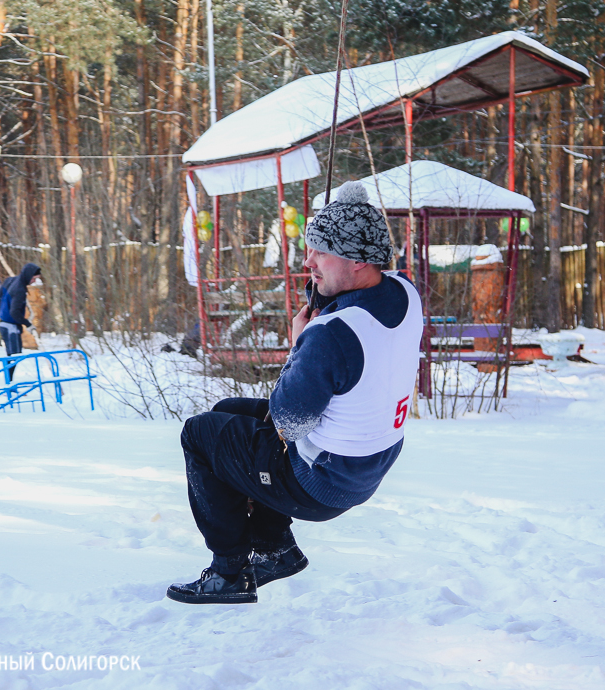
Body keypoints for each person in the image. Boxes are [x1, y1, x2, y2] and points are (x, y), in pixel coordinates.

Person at [167, 182, 424, 605]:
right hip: (369, 462)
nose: (308, 262)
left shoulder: (331, 335)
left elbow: (288, 422)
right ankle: (274, 548)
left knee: (200, 435)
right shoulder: (403, 292)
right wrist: (322, 294)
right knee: (228, 412)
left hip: (322, 483)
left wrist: (298, 346)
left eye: (320, 252)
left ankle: (229, 572)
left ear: (359, 260)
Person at [0, 263, 41, 379]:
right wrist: (27, 324)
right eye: (33, 278)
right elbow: (14, 313)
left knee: (11, 356)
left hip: (3, 324)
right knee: (14, 356)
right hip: (10, 326)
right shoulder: (20, 290)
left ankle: (9, 383)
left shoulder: (10, 280)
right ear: (28, 275)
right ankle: (9, 384)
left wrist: (4, 306)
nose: (34, 281)